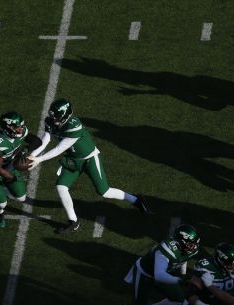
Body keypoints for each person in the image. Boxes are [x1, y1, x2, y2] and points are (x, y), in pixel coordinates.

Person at [28, 99, 149, 233]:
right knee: (61, 186)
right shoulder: (50, 121)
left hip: (89, 159)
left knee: (104, 192)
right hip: (73, 160)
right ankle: (73, 221)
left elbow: (59, 149)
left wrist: (38, 160)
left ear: (66, 115)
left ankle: (136, 200)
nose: (54, 120)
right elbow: (45, 140)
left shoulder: (74, 126)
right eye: (53, 116)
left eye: (57, 117)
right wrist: (32, 155)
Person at [104, 224, 202, 305]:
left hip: (163, 273)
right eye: (190, 244)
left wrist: (183, 274)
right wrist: (181, 281)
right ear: (179, 242)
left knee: (179, 300)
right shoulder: (166, 250)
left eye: (195, 243)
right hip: (145, 273)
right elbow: (159, 274)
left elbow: (184, 258)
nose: (194, 247)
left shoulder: (190, 248)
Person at [0, 112, 41, 228]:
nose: (21, 129)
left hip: (9, 165)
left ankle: (4, 187)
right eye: (18, 127)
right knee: (2, 203)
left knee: (21, 197)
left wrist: (24, 151)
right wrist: (14, 177)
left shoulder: (21, 133)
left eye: (22, 126)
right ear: (8, 128)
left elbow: (37, 141)